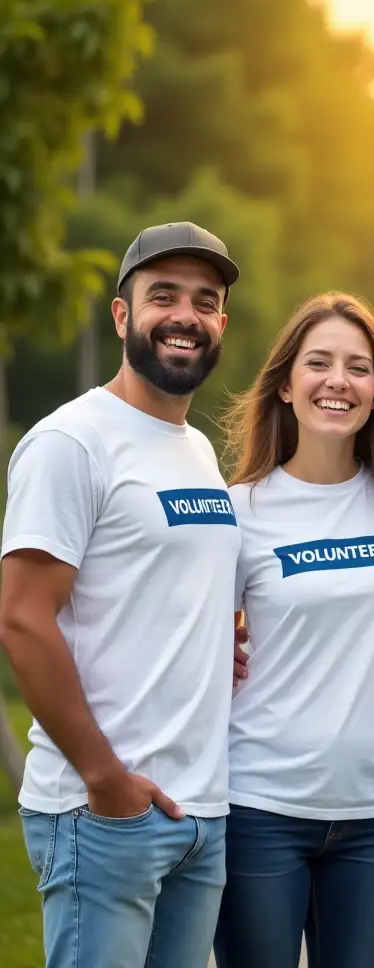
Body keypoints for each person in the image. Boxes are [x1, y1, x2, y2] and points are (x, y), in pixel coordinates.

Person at [0, 222, 241, 968]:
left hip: (199, 812)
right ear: (121, 315)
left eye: (205, 301)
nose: (185, 316)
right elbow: (21, 618)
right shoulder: (72, 442)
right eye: (162, 295)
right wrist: (103, 779)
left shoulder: (198, 450)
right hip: (103, 813)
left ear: (221, 325)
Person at [212, 293, 374, 968]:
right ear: (285, 384)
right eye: (319, 363)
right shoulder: (239, 512)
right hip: (258, 809)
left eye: (357, 367)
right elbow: (199, 639)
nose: (338, 380)